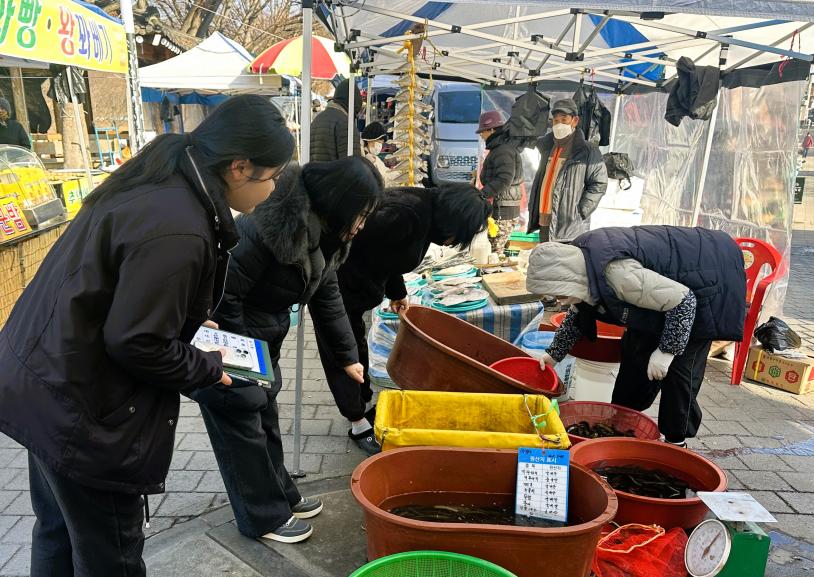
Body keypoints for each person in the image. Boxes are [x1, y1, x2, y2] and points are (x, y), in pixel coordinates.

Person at [0, 94, 294, 576]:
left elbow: (120, 291)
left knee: (57, 531)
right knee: (109, 556)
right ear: (240, 167)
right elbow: (136, 342)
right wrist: (207, 368)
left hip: (42, 381)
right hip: (82, 411)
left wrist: (183, 321)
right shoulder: (181, 225)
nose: (274, 187)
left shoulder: (161, 178)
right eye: (273, 176)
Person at [199, 156, 383, 543]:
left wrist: (348, 356)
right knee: (243, 424)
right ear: (341, 202)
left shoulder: (326, 233)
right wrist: (244, 360)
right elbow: (224, 295)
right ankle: (262, 517)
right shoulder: (270, 224)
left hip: (262, 335)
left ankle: (279, 493)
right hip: (227, 340)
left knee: (265, 415)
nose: (362, 225)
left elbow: (327, 293)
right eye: (362, 215)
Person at [526, 225, 746, 447]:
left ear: (567, 279)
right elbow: (579, 310)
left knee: (679, 376)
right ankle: (622, 425)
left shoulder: (618, 274)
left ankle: (676, 443)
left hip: (707, 281)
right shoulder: (579, 266)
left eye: (557, 291)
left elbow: (684, 301)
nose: (557, 299)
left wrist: (667, 351)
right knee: (634, 359)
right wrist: (553, 355)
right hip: (662, 295)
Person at [325, 183, 492, 452]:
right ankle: (356, 421)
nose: (453, 242)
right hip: (336, 289)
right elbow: (355, 249)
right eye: (458, 235)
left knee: (355, 346)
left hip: (356, 293)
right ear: (452, 220)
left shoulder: (423, 212)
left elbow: (388, 257)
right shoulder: (405, 214)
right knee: (343, 352)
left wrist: (397, 292)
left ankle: (361, 403)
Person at [528, 98, 607, 243]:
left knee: (565, 258)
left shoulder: (588, 150)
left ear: (575, 121)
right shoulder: (547, 147)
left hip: (569, 226)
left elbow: (599, 183)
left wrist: (581, 211)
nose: (559, 125)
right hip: (544, 220)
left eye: (564, 120)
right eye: (556, 121)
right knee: (545, 256)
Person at [477, 110, 523, 257]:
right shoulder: (499, 148)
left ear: (492, 130)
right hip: (501, 206)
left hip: (504, 210)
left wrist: (482, 194)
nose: (481, 135)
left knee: (493, 252)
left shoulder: (503, 151)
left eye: (483, 131)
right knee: (493, 250)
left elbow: (504, 179)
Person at [310, 79, 362, 161]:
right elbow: (353, 164)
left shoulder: (317, 119)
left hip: (314, 169)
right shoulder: (345, 123)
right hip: (337, 169)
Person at [362, 121, 399, 186]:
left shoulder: (375, 158)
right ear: (369, 140)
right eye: (379, 142)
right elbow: (381, 181)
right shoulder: (363, 157)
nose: (380, 146)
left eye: (381, 143)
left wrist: (399, 173)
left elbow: (385, 173)